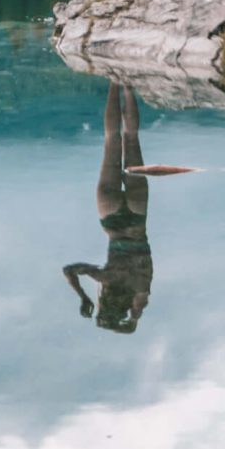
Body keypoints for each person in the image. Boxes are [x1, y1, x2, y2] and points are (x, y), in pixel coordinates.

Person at [63, 80, 152, 333]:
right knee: (112, 140)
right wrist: (83, 296)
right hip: (111, 217)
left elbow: (135, 318)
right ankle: (114, 82)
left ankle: (128, 87)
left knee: (131, 139)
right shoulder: (103, 277)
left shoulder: (139, 286)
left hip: (136, 218)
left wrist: (130, 320)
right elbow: (69, 270)